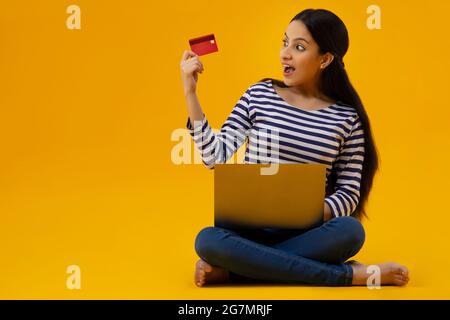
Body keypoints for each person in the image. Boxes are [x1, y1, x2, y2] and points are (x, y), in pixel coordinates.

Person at [180, 8, 409, 287]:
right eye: (284, 42)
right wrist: (191, 93)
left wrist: (305, 212)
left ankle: (235, 272)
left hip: (305, 234)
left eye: (299, 47)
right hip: (247, 230)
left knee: (350, 231)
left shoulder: (347, 119)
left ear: (325, 59)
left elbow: (348, 193)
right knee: (208, 240)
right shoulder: (259, 95)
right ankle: (349, 276)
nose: (285, 54)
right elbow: (214, 156)